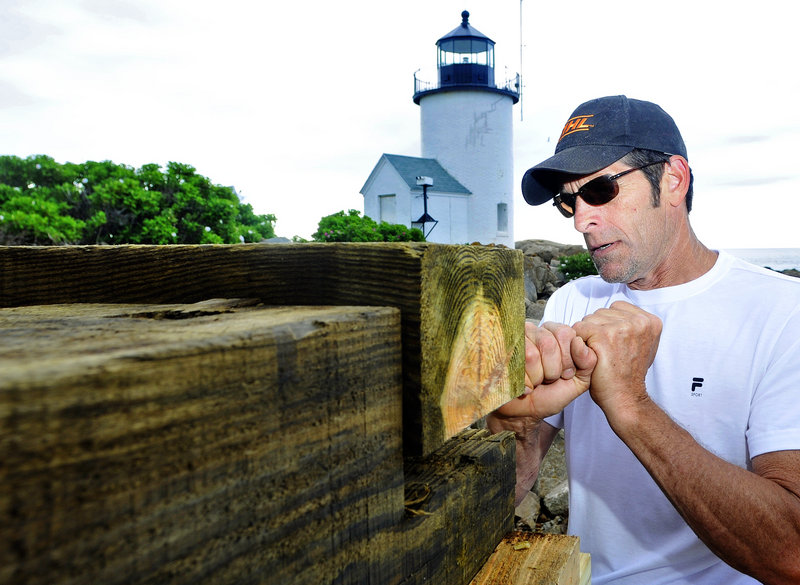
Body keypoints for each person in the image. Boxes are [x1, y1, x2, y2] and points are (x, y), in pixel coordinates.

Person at [487, 95, 800, 584]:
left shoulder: (784, 313)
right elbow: (505, 494)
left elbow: (790, 556)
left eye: (600, 190)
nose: (580, 219)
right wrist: (515, 415)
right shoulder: (571, 301)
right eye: (568, 201)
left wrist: (632, 406)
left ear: (673, 180)